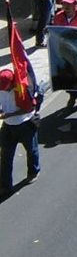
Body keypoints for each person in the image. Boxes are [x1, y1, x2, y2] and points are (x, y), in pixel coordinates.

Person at [0, 67, 40, 196]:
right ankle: (5, 185)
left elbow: (28, 109)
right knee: (6, 156)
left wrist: (8, 115)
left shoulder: (23, 89)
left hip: (25, 124)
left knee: (31, 150)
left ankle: (33, 171)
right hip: (8, 127)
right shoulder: (1, 89)